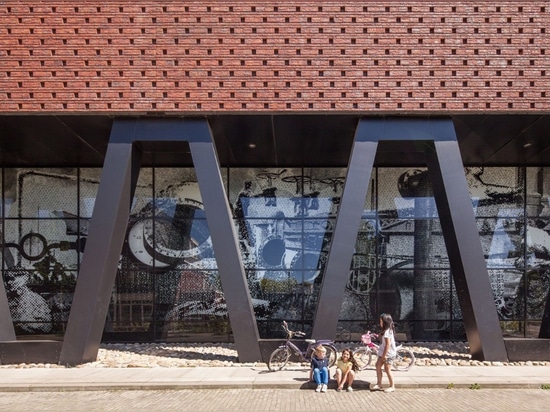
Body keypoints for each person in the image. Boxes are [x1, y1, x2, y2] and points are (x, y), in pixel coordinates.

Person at [371, 313, 397, 393]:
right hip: (382, 352)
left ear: (385, 322)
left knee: (387, 369)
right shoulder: (386, 330)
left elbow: (388, 345)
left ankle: (392, 386)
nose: (380, 322)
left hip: (388, 354)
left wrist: (384, 356)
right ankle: (379, 384)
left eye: (381, 321)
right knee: (378, 366)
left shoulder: (387, 332)